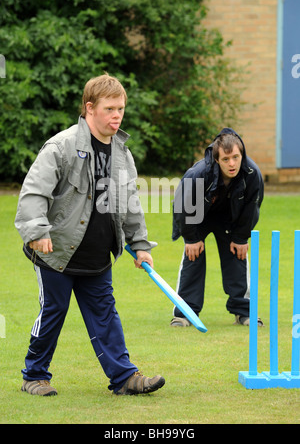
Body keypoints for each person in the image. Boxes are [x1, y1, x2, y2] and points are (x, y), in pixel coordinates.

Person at [15, 73, 165, 396]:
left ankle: (124, 378)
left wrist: (140, 244)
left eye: (121, 109)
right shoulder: (62, 146)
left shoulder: (123, 155)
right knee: (53, 312)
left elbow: (131, 204)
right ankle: (34, 376)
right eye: (110, 108)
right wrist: (37, 231)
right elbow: (33, 192)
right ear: (89, 108)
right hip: (56, 253)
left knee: (105, 315)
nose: (117, 115)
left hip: (97, 257)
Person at [171, 128, 264, 327]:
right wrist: (191, 238)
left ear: (242, 155)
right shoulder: (197, 174)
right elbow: (181, 206)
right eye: (226, 159)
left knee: (237, 254)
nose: (232, 164)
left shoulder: (252, 174)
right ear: (216, 159)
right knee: (193, 256)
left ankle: (244, 312)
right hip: (198, 218)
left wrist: (241, 238)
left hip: (230, 218)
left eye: (236, 157)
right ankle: (184, 314)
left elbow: (252, 207)